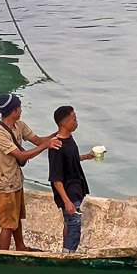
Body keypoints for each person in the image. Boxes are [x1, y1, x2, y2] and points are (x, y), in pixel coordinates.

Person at [0, 93, 61, 251]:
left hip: (16, 180)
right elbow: (21, 155)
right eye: (19, 108)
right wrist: (46, 146)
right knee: (8, 224)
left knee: (16, 218)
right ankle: (3, 255)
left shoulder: (20, 125)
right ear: (13, 110)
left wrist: (59, 133)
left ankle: (21, 246)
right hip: (4, 183)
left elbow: (37, 140)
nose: (21, 110)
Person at [48, 106, 94, 253]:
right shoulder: (56, 145)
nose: (76, 122)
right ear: (65, 123)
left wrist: (87, 156)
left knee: (69, 223)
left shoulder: (69, 139)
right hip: (68, 192)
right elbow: (56, 177)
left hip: (76, 187)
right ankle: (68, 254)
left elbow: (72, 160)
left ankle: (64, 251)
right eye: (74, 119)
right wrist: (66, 201)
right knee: (74, 224)